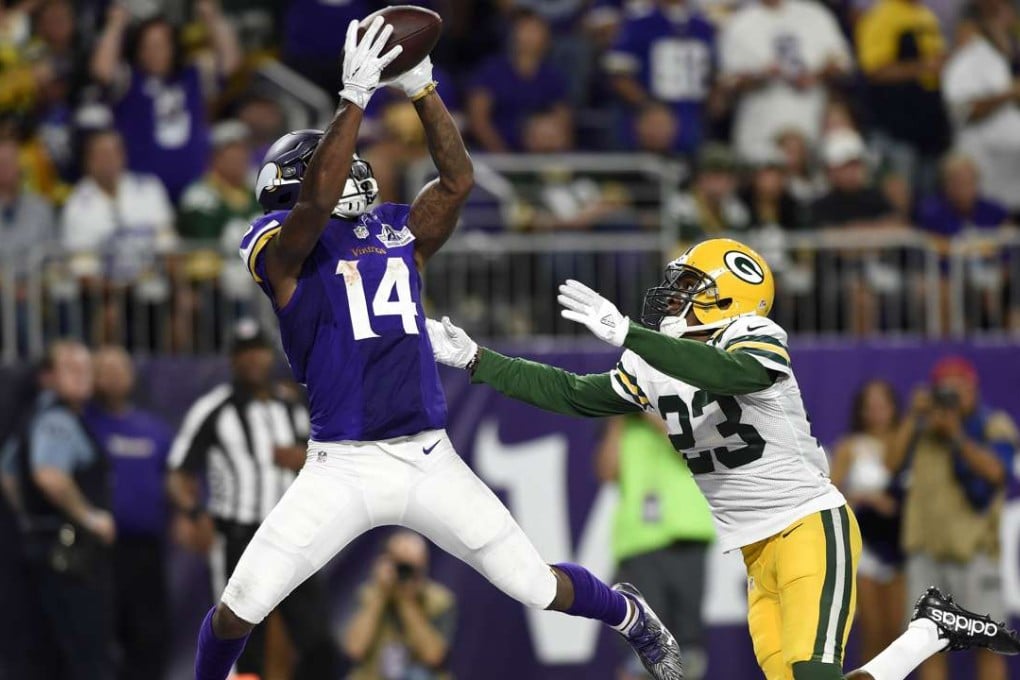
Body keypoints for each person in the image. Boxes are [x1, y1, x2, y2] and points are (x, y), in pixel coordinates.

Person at [196, 19, 683, 680]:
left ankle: (626, 614)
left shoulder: (395, 227)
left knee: (534, 585)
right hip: (342, 465)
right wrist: (353, 100)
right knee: (238, 606)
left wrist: (423, 91)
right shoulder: (277, 242)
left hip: (427, 455)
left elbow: (456, 183)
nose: (350, 174)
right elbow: (311, 210)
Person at [426, 237, 1020, 680]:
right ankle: (930, 631)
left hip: (810, 523)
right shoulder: (653, 360)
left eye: (693, 286)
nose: (675, 293)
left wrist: (633, 335)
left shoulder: (753, 336)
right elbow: (574, 394)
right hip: (755, 550)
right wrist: (479, 360)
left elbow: (727, 373)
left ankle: (928, 632)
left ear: (731, 299)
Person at [168, 322, 340, 679]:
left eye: (258, 350)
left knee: (316, 640)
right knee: (242, 640)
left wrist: (304, 457)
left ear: (269, 355)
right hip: (239, 536)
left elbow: (327, 460)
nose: (253, 359)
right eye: (244, 351)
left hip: (294, 534)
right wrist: (191, 511)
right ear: (233, 359)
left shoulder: (291, 407)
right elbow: (178, 471)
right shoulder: (214, 409)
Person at [888, 356, 1019, 680]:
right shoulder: (922, 429)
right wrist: (912, 416)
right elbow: (890, 465)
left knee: (988, 642)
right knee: (925, 644)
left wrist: (956, 434)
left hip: (973, 551)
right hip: (925, 551)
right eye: (944, 389)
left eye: (959, 387)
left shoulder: (993, 424)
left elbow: (997, 473)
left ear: (974, 388)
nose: (953, 396)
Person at [5, 341, 115, 680]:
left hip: (40, 550)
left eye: (86, 368)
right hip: (70, 558)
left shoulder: (32, 417)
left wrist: (32, 518)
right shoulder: (57, 419)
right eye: (71, 368)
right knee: (87, 657)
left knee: (47, 655)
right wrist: (90, 518)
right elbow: (50, 476)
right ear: (49, 377)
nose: (82, 376)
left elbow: (8, 475)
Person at [595, 413, 715, 680]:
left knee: (688, 654)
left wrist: (651, 414)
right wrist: (617, 420)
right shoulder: (621, 418)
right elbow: (606, 473)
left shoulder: (682, 404)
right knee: (641, 653)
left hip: (686, 533)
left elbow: (696, 450)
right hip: (638, 542)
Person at [90, 2, 241, 200]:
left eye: (161, 45)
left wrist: (211, 17)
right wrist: (116, 24)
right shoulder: (130, 81)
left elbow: (230, 63)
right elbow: (102, 70)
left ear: (173, 47)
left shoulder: (192, 76)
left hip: (194, 189)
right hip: (143, 195)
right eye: (148, 46)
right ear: (138, 50)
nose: (155, 52)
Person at [85, 345, 173, 680]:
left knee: (150, 636)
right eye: (104, 369)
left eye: (120, 368)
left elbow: (174, 477)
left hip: (146, 551)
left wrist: (189, 513)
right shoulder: (83, 424)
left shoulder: (153, 429)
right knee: (101, 636)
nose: (114, 376)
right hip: (100, 550)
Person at [830, 381, 906, 666]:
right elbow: (832, 494)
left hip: (902, 545)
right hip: (867, 548)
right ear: (861, 411)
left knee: (899, 632)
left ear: (893, 407)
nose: (876, 412)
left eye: (882, 404)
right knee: (872, 631)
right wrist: (863, 497)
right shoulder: (850, 447)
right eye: (870, 406)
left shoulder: (906, 439)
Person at [719, 0, 852, 161]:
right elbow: (728, 82)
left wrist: (817, 74)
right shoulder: (740, 22)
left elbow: (842, 63)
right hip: (761, 126)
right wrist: (761, 75)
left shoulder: (815, 15)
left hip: (811, 119)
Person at [855, 0, 952, 196]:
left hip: (931, 123)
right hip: (897, 125)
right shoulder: (880, 16)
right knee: (900, 192)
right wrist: (922, 67)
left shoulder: (926, 15)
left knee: (930, 193)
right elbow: (874, 70)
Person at [604, 0, 717, 154]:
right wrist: (650, 107)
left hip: (694, 117)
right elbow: (618, 75)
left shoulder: (703, 26)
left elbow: (713, 75)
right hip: (646, 118)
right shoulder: (639, 24)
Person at [342, 531, 457, 680]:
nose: (404, 573)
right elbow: (354, 650)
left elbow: (434, 657)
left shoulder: (440, 601)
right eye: (399, 565)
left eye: (410, 568)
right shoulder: (369, 594)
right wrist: (380, 595)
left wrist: (406, 602)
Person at [941, 17, 1020, 214]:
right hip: (982, 159)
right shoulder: (965, 63)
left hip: (1009, 168)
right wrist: (1010, 93)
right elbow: (967, 110)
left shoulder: (996, 63)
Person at [466, 9, 571, 152]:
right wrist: (501, 153)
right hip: (494, 154)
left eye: (535, 30)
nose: (529, 36)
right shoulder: (492, 71)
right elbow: (478, 118)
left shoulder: (552, 76)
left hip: (538, 154)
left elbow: (563, 120)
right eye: (525, 29)